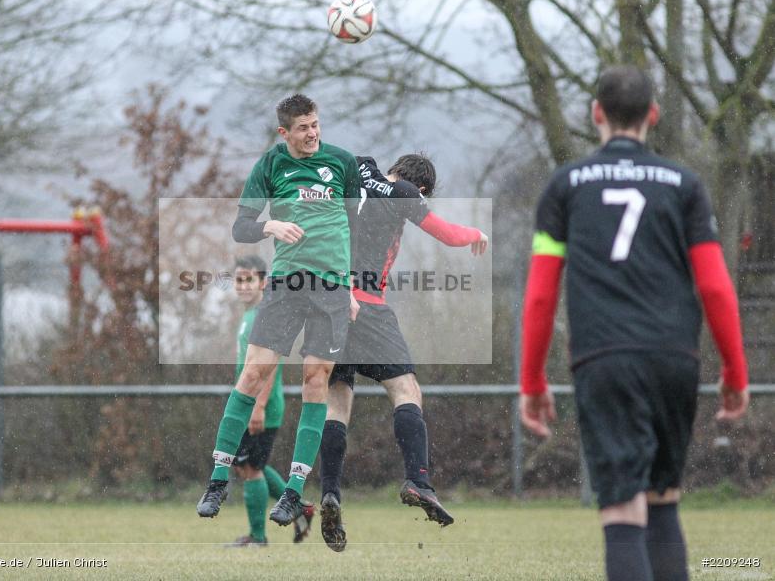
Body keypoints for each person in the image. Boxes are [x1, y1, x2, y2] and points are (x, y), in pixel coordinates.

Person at [519, 65, 749, 581]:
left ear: (597, 113)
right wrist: (736, 370)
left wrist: (532, 380)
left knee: (622, 510)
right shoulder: (684, 185)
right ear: (653, 115)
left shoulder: (566, 186)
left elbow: (539, 296)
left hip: (604, 357)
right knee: (663, 503)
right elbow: (714, 286)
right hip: (674, 357)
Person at [197, 94, 362, 528]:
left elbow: (354, 230)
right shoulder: (271, 166)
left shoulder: (343, 164)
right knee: (253, 375)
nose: (313, 133)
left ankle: (293, 491)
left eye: (316, 124)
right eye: (303, 128)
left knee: (315, 380)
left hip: (331, 287)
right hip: (287, 284)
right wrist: (269, 224)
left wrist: (351, 287)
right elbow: (241, 226)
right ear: (283, 132)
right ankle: (217, 479)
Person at [319, 153, 489, 552]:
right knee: (405, 390)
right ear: (424, 188)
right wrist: (475, 234)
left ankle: (330, 492)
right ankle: (419, 478)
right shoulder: (404, 193)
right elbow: (446, 234)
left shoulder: (357, 168)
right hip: (369, 306)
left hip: (330, 303)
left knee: (336, 399)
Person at [226, 255, 315, 547]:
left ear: (263, 282)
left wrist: (259, 406)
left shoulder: (264, 315)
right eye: (239, 280)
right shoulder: (250, 315)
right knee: (249, 465)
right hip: (249, 405)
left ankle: (258, 537)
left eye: (249, 279)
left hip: (261, 406)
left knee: (250, 468)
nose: (243, 286)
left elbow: (270, 368)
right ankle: (299, 507)